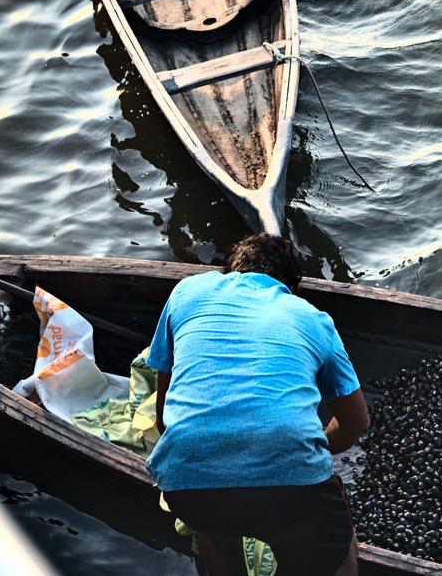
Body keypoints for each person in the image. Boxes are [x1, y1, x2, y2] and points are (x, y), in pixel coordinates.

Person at [146, 234, 370, 576]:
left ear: (229, 271)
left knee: (212, 531)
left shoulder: (187, 292)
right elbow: (356, 422)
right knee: (339, 552)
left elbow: (164, 418)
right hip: (292, 494)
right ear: (289, 287)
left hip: (186, 484)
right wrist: (298, 450)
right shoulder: (311, 317)